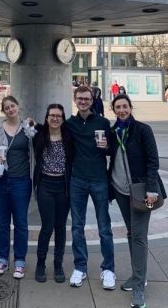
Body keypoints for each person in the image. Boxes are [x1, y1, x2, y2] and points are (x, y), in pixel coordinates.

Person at [108, 93, 167, 308]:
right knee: (132, 233)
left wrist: (152, 188)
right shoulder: (113, 131)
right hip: (121, 190)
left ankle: (140, 286)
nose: (121, 110)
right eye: (118, 107)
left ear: (130, 108)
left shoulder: (143, 130)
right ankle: (136, 275)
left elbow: (153, 161)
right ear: (113, 110)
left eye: (124, 106)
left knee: (139, 236)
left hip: (141, 190)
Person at [65, 85, 115, 290]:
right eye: (80, 99)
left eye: (87, 98)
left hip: (99, 179)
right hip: (78, 179)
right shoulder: (70, 124)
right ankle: (80, 266)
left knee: (104, 227)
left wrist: (108, 148)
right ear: (75, 100)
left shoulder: (102, 122)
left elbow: (113, 148)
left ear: (92, 100)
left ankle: (108, 269)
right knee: (77, 226)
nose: (83, 101)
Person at [0, 95, 34, 279]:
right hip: (0, 181)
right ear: (3, 111)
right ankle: (2, 259)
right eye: (6, 107)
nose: (10, 109)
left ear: (18, 107)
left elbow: (37, 143)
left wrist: (34, 126)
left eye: (13, 106)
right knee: (2, 223)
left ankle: (20, 261)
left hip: (21, 181)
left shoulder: (27, 127)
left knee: (21, 223)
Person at [33, 104, 73, 284]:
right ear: (47, 118)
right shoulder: (40, 135)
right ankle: (40, 263)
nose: (55, 118)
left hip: (63, 186)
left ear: (63, 119)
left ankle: (58, 264)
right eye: (52, 116)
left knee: (60, 227)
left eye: (58, 116)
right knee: (47, 226)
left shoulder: (68, 136)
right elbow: (27, 127)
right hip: (45, 185)